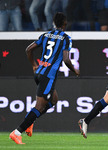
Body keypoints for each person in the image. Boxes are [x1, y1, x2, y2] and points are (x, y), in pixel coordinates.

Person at [9, 12, 80, 144]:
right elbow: (66, 59)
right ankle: (17, 132)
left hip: (39, 73)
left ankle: (30, 122)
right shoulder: (66, 38)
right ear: (65, 24)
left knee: (54, 100)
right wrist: (75, 70)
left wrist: (34, 65)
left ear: (54, 23)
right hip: (48, 76)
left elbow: (28, 50)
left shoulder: (45, 35)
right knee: (40, 107)